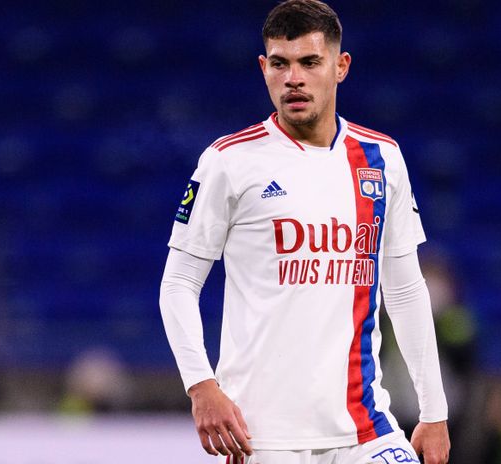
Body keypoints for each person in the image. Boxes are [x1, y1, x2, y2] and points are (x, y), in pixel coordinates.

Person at [159, 1, 450, 462]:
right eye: (280, 63)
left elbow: (406, 290)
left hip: (365, 427)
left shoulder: (381, 158)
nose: (293, 77)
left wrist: (434, 412)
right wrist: (201, 386)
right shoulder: (229, 162)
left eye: (309, 62)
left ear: (340, 66)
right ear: (264, 68)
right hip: (261, 436)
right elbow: (177, 284)